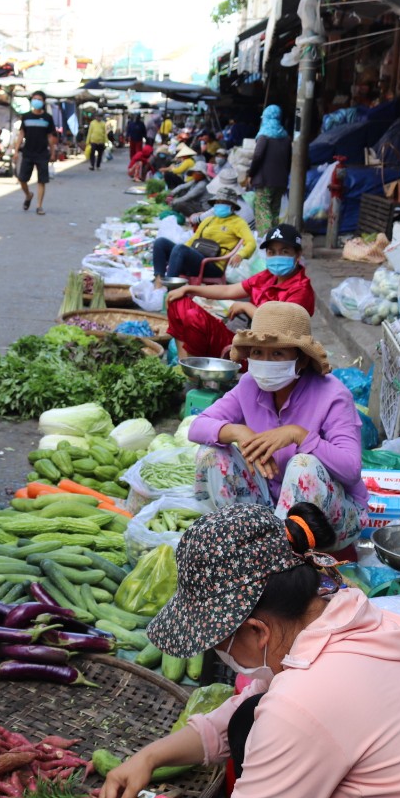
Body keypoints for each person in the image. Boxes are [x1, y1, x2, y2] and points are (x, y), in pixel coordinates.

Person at [101, 503, 400, 798]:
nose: (219, 652)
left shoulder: (308, 697)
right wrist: (150, 757)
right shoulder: (344, 616)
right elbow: (246, 706)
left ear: (256, 631)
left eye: (218, 642)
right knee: (250, 715)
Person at [185, 300, 366, 546]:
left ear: (300, 359)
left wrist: (299, 435)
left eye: (277, 353)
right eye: (258, 353)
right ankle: (234, 541)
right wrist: (239, 431)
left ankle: (280, 555)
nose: (265, 361)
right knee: (211, 453)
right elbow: (197, 427)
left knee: (304, 465)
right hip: (269, 501)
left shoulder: (333, 395)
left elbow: (351, 469)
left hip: (331, 519)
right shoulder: (249, 384)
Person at [166, 223, 313, 360]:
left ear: (297, 255)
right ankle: (185, 363)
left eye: (284, 251)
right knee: (177, 301)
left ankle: (195, 372)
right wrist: (188, 288)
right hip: (243, 339)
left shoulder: (301, 289)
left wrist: (246, 307)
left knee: (194, 317)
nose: (277, 257)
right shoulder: (267, 276)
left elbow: (280, 331)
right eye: (271, 252)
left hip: (265, 354)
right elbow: (228, 290)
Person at [153, 190, 254, 284]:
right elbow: (193, 240)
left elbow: (251, 242)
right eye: (217, 202)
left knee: (180, 249)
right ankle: (158, 283)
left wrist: (241, 255)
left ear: (232, 206)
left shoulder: (238, 223)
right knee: (160, 242)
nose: (219, 205)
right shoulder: (209, 220)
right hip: (196, 258)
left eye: (223, 202)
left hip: (212, 265)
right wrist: (178, 253)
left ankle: (170, 287)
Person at [245, 104, 292, 234]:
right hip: (281, 181)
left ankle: (266, 240)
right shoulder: (286, 138)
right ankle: (275, 237)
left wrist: (251, 174)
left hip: (264, 181)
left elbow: (258, 156)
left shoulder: (264, 136)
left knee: (263, 210)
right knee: (275, 210)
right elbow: (288, 161)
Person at [13, 90, 56, 215]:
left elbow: (50, 137)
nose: (37, 101)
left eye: (39, 99)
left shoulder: (48, 118)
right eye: (35, 99)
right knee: (22, 179)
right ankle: (28, 195)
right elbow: (21, 135)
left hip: (42, 153)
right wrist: (16, 151)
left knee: (42, 180)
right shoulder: (26, 117)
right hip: (28, 152)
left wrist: (53, 152)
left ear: (43, 102)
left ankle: (39, 206)